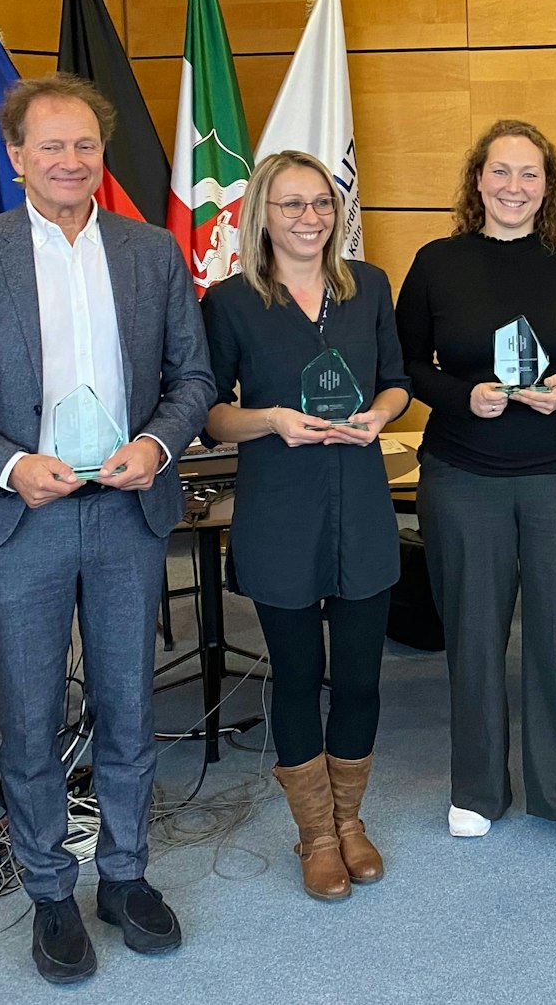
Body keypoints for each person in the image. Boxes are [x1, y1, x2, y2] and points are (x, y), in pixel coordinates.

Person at [0, 73, 214, 984]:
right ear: (17, 156)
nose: (70, 160)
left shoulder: (152, 253)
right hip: (20, 519)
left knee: (127, 706)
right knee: (32, 718)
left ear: (100, 152)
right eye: (51, 146)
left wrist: (158, 444)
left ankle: (123, 875)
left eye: (83, 145)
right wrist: (7, 463)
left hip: (127, 512)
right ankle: (47, 888)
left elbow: (193, 379)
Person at [396, 120, 556, 851]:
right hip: (465, 473)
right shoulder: (436, 262)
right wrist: (463, 395)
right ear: (477, 180)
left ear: (548, 185)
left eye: (530, 174)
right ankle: (477, 786)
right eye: (501, 172)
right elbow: (406, 363)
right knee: (471, 633)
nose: (514, 187)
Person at [200, 150, 410, 900]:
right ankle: (316, 835)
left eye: (321, 202)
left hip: (360, 504)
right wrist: (273, 421)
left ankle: (351, 823)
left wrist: (380, 415)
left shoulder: (371, 286)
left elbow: (399, 381)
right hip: (280, 511)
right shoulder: (229, 302)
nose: (309, 217)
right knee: (296, 676)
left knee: (358, 677)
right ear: (263, 213)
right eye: (291, 204)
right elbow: (210, 417)